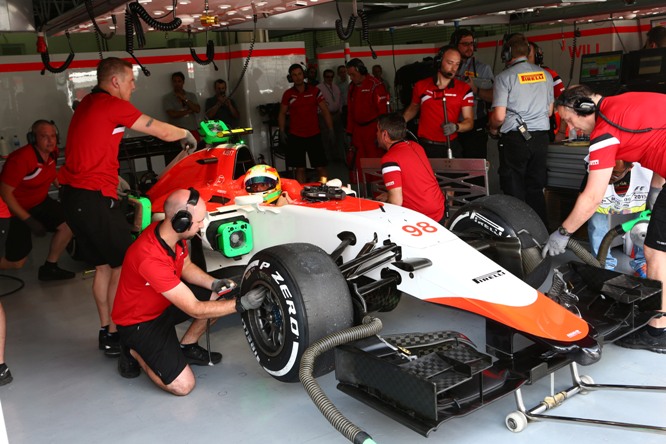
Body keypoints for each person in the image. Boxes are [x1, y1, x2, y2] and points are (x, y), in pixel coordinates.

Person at [58, 57, 199, 357]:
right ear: (115, 82)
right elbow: (159, 129)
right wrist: (187, 135)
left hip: (75, 198)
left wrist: (113, 176)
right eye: (131, 80)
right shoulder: (111, 104)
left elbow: (91, 147)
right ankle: (118, 333)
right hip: (91, 198)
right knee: (124, 263)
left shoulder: (87, 104)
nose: (134, 86)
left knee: (103, 266)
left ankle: (106, 331)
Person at [542, 84, 666, 353]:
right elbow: (660, 143)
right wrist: (656, 192)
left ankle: (658, 331)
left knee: (656, 253)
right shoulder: (630, 100)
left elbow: (592, 198)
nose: (572, 128)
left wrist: (563, 233)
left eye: (568, 120)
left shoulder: (605, 132)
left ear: (584, 109)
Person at [112, 188, 267, 395]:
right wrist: (241, 304)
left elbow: (185, 266)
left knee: (220, 295)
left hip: (164, 303)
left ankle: (187, 346)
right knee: (183, 386)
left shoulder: (173, 236)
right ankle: (132, 349)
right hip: (139, 323)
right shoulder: (148, 256)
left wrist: (214, 283)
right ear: (181, 221)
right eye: (199, 221)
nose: (202, 225)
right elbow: (194, 309)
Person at [489, 33, 554, 225]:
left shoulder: (504, 77)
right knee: (536, 188)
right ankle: (541, 232)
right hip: (541, 138)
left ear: (507, 54)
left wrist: (492, 129)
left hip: (515, 139)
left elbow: (499, 116)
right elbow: (549, 111)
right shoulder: (546, 75)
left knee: (514, 188)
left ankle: (519, 233)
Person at [0, 120, 74, 280]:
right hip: (14, 210)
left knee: (68, 224)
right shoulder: (20, 160)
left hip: (40, 202)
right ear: (33, 139)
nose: (50, 141)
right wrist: (28, 219)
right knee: (17, 262)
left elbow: (50, 170)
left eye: (53, 136)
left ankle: (50, 267)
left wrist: (61, 187)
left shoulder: (52, 152)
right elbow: (5, 194)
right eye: (44, 137)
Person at [402, 45, 474, 158]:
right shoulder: (421, 86)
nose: (454, 68)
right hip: (425, 147)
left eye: (457, 64)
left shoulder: (464, 89)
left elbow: (469, 122)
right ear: (439, 62)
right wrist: (400, 121)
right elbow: (413, 107)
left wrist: (456, 127)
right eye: (450, 63)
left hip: (450, 146)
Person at [375, 113, 445, 224]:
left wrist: (387, 201)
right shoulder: (416, 146)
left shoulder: (389, 159)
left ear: (385, 135)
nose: (376, 134)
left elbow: (396, 202)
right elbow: (414, 183)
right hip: (439, 210)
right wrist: (389, 195)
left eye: (377, 131)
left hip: (421, 218)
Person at [278, 64, 334, 184]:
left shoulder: (315, 91)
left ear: (304, 75)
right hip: (296, 136)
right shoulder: (288, 94)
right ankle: (301, 193)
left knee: (320, 167)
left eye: (299, 74)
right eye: (294, 75)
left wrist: (331, 129)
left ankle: (325, 187)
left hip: (314, 134)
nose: (297, 77)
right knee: (300, 168)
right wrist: (281, 131)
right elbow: (282, 113)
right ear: (290, 77)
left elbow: (325, 110)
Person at [450, 28, 495, 159]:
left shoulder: (483, 68)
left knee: (476, 168)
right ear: (454, 45)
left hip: (476, 126)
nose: (470, 47)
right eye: (465, 44)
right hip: (452, 126)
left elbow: (493, 97)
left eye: (471, 43)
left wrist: (476, 90)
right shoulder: (447, 67)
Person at [346, 58, 390, 184]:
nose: (351, 78)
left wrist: (382, 133)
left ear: (361, 71)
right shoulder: (352, 87)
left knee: (375, 163)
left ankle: (377, 195)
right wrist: (349, 132)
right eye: (349, 75)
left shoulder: (375, 85)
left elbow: (384, 113)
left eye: (353, 74)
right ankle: (362, 195)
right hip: (357, 131)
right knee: (358, 164)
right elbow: (350, 111)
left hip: (373, 130)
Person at [527, 41, 566, 142]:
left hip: (543, 130)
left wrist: (562, 131)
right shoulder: (511, 76)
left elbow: (565, 102)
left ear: (537, 57)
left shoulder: (549, 74)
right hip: (518, 131)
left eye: (528, 56)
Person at [163, 71, 201, 137]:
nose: (177, 84)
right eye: (175, 81)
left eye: (179, 81)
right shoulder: (167, 98)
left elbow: (197, 110)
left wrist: (184, 99)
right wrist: (189, 111)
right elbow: (173, 114)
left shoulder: (191, 95)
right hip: (176, 132)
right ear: (172, 83)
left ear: (183, 82)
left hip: (192, 130)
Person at [317, 69, 343, 161]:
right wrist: (320, 112)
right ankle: (326, 157)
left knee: (337, 136)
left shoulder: (336, 87)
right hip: (324, 116)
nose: (330, 78)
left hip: (336, 115)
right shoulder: (319, 88)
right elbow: (316, 102)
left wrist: (339, 111)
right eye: (328, 77)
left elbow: (340, 100)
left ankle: (337, 156)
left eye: (331, 76)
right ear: (324, 77)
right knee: (326, 136)